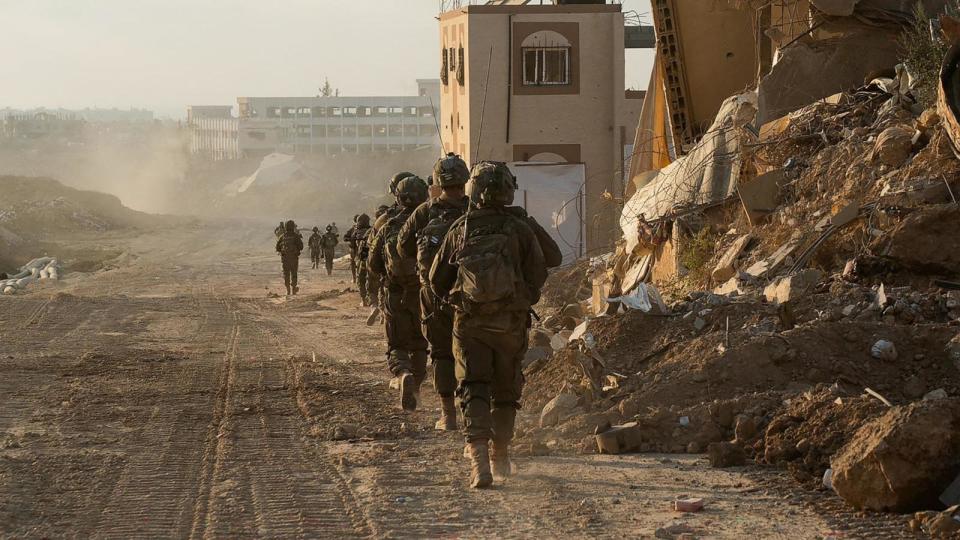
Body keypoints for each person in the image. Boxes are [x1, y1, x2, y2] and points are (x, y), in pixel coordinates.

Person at [430, 161, 548, 489]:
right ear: (508, 189)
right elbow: (542, 267)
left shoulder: (461, 228)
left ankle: (478, 458)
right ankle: (501, 455)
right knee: (506, 391)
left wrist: (457, 301)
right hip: (509, 324)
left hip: (469, 325)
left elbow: (435, 279)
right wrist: (522, 298)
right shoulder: (519, 227)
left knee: (474, 387)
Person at [398, 153, 470, 431]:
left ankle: (448, 415)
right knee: (469, 350)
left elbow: (403, 248)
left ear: (438, 182)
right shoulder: (474, 210)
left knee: (441, 352)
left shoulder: (424, 212)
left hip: (434, 295)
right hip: (469, 293)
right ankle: (472, 411)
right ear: (465, 181)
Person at [369, 175, 429, 412]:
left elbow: (373, 263)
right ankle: (415, 387)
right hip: (424, 295)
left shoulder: (387, 224)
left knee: (397, 343)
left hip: (395, 293)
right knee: (420, 344)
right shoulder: (430, 222)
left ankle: (403, 372)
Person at [276, 220, 304, 296]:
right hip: (294, 258)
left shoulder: (282, 236)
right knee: (294, 274)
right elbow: (301, 247)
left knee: (286, 274)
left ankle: (288, 290)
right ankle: (293, 289)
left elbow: (277, 248)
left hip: (285, 259)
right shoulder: (296, 236)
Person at [353, 213, 373, 305]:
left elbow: (351, 244)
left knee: (361, 278)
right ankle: (371, 299)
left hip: (362, 259)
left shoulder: (356, 232)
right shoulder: (372, 230)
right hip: (372, 259)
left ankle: (364, 300)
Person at [344, 215, 360, 281]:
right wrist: (349, 239)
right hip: (354, 248)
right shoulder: (353, 229)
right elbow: (346, 237)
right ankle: (354, 278)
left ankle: (356, 278)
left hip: (358, 248)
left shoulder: (366, 228)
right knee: (353, 263)